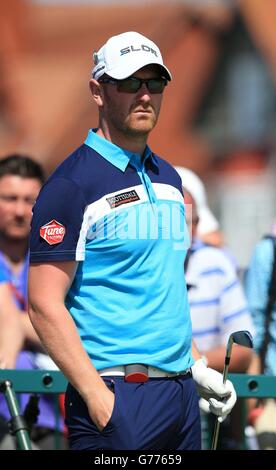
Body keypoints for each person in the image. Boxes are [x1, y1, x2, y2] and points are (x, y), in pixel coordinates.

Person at [28, 31, 237, 451]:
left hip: (180, 397)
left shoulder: (171, 179)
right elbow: (43, 303)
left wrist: (197, 367)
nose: (144, 95)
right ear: (98, 90)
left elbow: (165, 289)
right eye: (129, 82)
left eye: (154, 83)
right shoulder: (71, 184)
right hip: (116, 396)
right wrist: (98, 397)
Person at [0, 154, 66, 450]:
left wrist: (15, 323)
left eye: (30, 200)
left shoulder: (60, 260)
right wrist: (43, 323)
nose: (19, 210)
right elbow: (56, 326)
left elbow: (74, 327)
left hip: (55, 418)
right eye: (9, 198)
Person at [183, 189, 254, 449]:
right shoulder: (137, 269)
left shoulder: (216, 263)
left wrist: (194, 369)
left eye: (189, 220)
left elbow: (243, 348)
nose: (181, 229)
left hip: (212, 415)